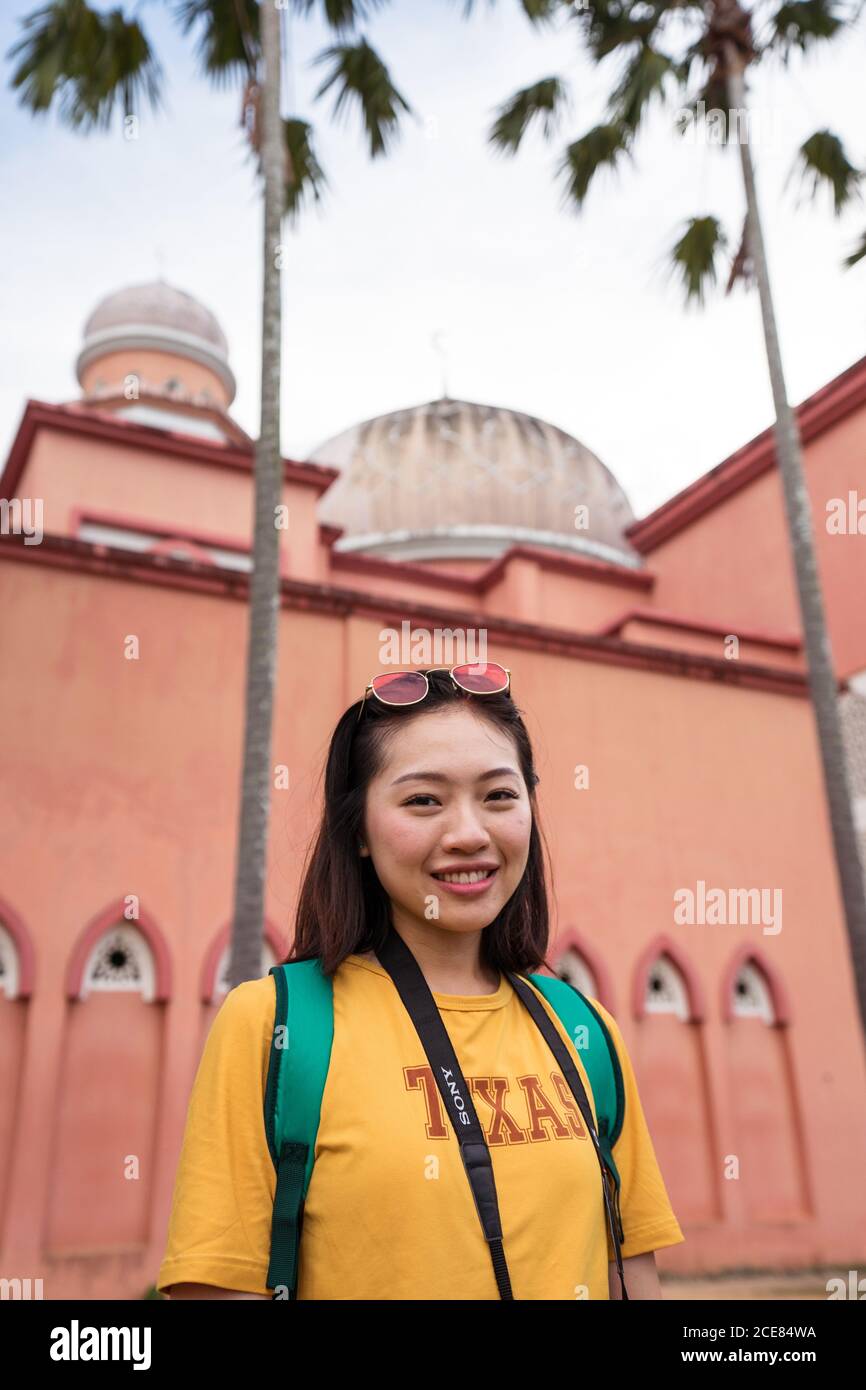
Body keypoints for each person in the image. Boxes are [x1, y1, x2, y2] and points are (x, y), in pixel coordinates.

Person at [157, 662, 684, 1300]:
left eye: (499, 796)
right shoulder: (274, 1024)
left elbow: (631, 1278)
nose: (469, 834)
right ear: (358, 832)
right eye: (423, 801)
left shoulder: (583, 1030)